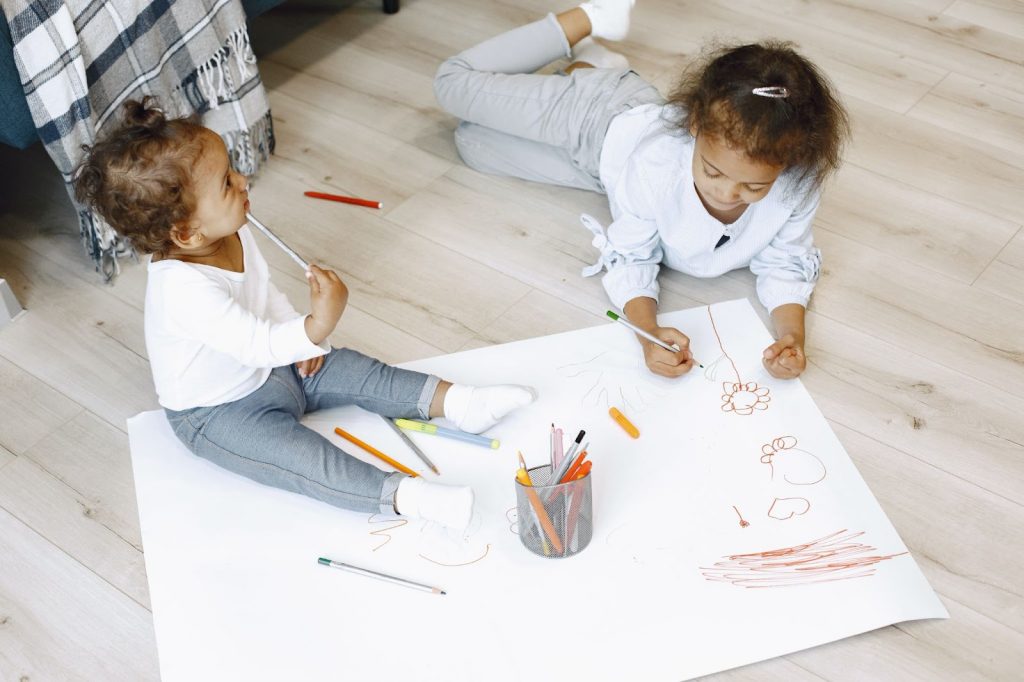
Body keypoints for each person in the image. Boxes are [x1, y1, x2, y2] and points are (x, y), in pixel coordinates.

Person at [73, 98, 534, 531]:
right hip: (218, 414)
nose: (244, 182)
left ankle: (461, 404)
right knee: (306, 461)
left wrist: (300, 335)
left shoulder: (232, 231)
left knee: (359, 370)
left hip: (272, 365)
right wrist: (316, 326)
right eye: (227, 185)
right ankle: (409, 498)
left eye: (233, 171)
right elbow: (251, 343)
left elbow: (265, 295)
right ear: (187, 232)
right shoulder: (182, 290)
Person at [434, 1, 849, 379]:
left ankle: (589, 65)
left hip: (605, 171)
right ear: (693, 127)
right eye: (713, 172)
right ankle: (593, 21)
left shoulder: (796, 187)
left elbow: (786, 263)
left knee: (471, 144)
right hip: (597, 115)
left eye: (753, 186)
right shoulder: (659, 163)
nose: (726, 194)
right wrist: (645, 328)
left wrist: (792, 336)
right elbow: (633, 254)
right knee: (452, 84)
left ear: (789, 167)